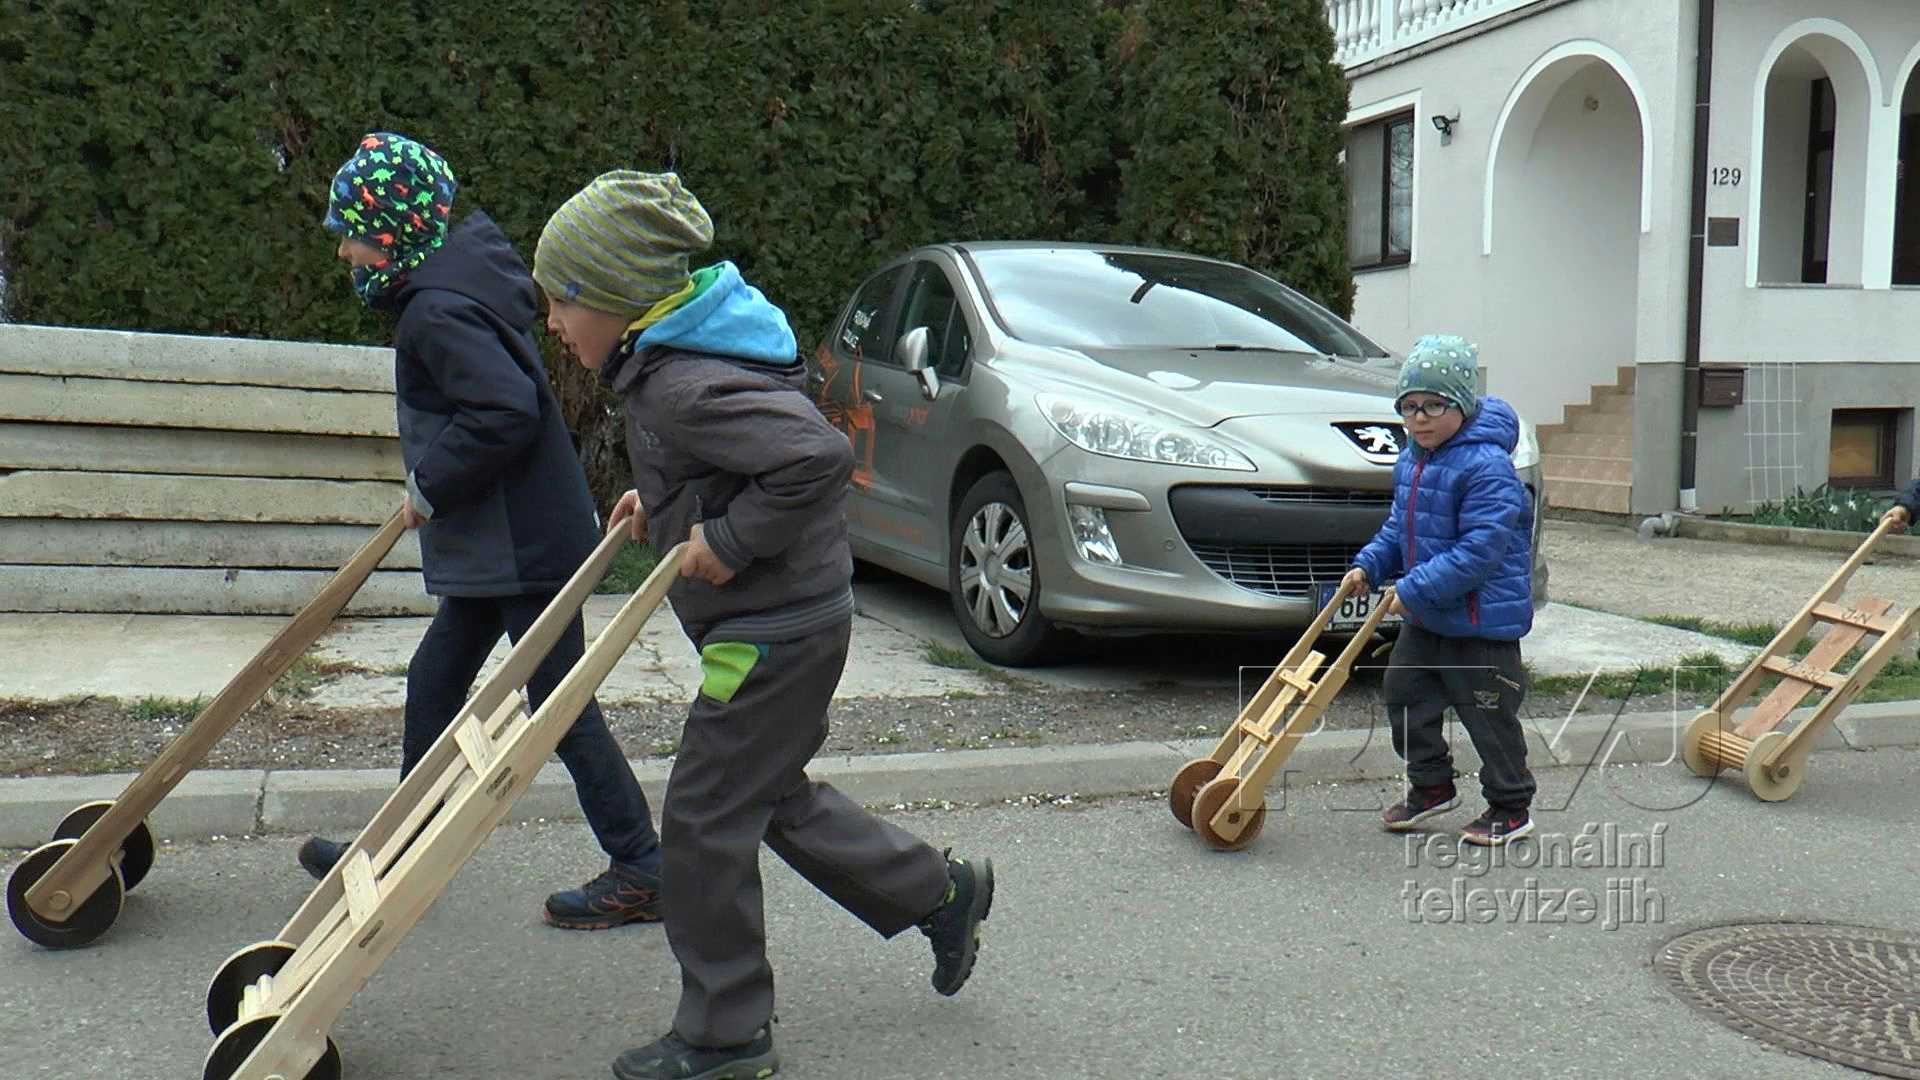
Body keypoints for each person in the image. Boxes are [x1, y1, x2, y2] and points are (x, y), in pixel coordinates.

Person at [534, 170, 995, 1080]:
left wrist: (730, 539)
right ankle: (939, 894)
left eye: (561, 301)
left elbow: (814, 457)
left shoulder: (681, 382)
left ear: (616, 298)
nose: (551, 321)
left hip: (773, 633)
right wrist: (665, 505)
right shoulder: (677, 358)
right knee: (766, 794)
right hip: (786, 619)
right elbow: (737, 459)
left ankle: (726, 1033)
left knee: (704, 816)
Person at [303, 133, 666, 930]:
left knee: (557, 703)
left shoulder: (435, 310)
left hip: (522, 546)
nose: (344, 252)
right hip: (504, 543)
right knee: (436, 676)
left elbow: (504, 409)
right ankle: (403, 844)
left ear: (390, 233)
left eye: (351, 233)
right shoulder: (448, 289)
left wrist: (430, 485)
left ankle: (644, 864)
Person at [1343, 335, 1538, 847]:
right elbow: (1399, 529)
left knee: (1488, 715)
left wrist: (1414, 588)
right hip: (1428, 615)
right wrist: (1370, 564)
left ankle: (1511, 805)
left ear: (1462, 405)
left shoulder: (1487, 467)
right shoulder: (1413, 460)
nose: (1419, 418)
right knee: (1404, 695)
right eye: (1409, 407)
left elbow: (1480, 550)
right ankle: (1431, 785)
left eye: (1434, 405)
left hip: (1480, 623)